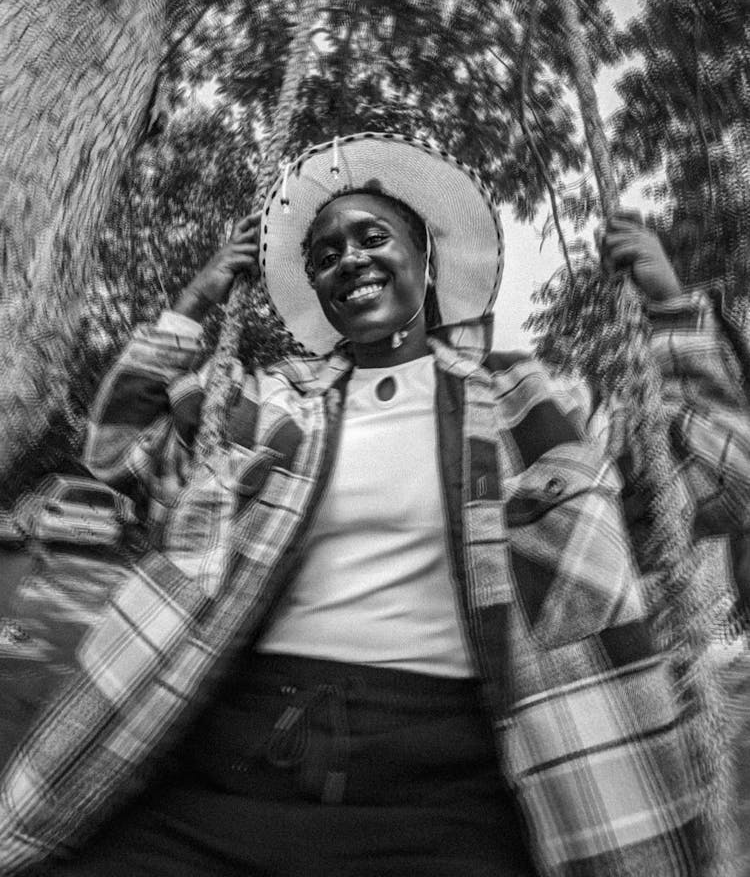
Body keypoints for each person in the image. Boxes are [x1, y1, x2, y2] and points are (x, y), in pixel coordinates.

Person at [1, 132, 749, 876]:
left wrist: (670, 305)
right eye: (324, 255)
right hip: (233, 760)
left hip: (442, 794)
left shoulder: (534, 401)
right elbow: (115, 445)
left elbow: (726, 478)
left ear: (425, 262)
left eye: (371, 237)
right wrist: (196, 301)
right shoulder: (270, 402)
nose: (347, 260)